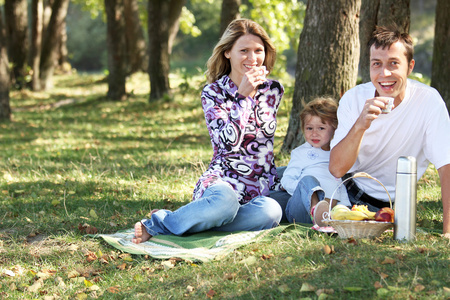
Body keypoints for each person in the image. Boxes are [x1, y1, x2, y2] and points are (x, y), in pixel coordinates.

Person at [133, 19, 284, 243]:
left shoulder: (273, 90)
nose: (252, 59)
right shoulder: (213, 93)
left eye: (258, 51)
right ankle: (160, 223)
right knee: (225, 204)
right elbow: (227, 144)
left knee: (271, 212)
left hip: (260, 186)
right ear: (227, 53)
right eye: (244, 51)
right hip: (223, 183)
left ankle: (195, 223)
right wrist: (241, 97)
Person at [329, 25, 450, 238]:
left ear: (410, 66)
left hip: (398, 206)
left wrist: (448, 232)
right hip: (349, 193)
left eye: (394, 63)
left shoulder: (429, 101)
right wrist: (360, 125)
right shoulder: (354, 99)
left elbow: (446, 166)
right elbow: (337, 169)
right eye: (377, 64)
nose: (384, 74)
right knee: (305, 195)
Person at [280, 97, 350, 227]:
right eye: (309, 128)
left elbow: (339, 185)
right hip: (300, 212)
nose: (314, 134)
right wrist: (303, 188)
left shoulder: (338, 153)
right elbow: (286, 181)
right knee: (308, 180)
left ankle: (322, 216)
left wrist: (346, 207)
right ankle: (315, 209)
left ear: (335, 128)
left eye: (321, 128)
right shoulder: (300, 153)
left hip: (331, 211)